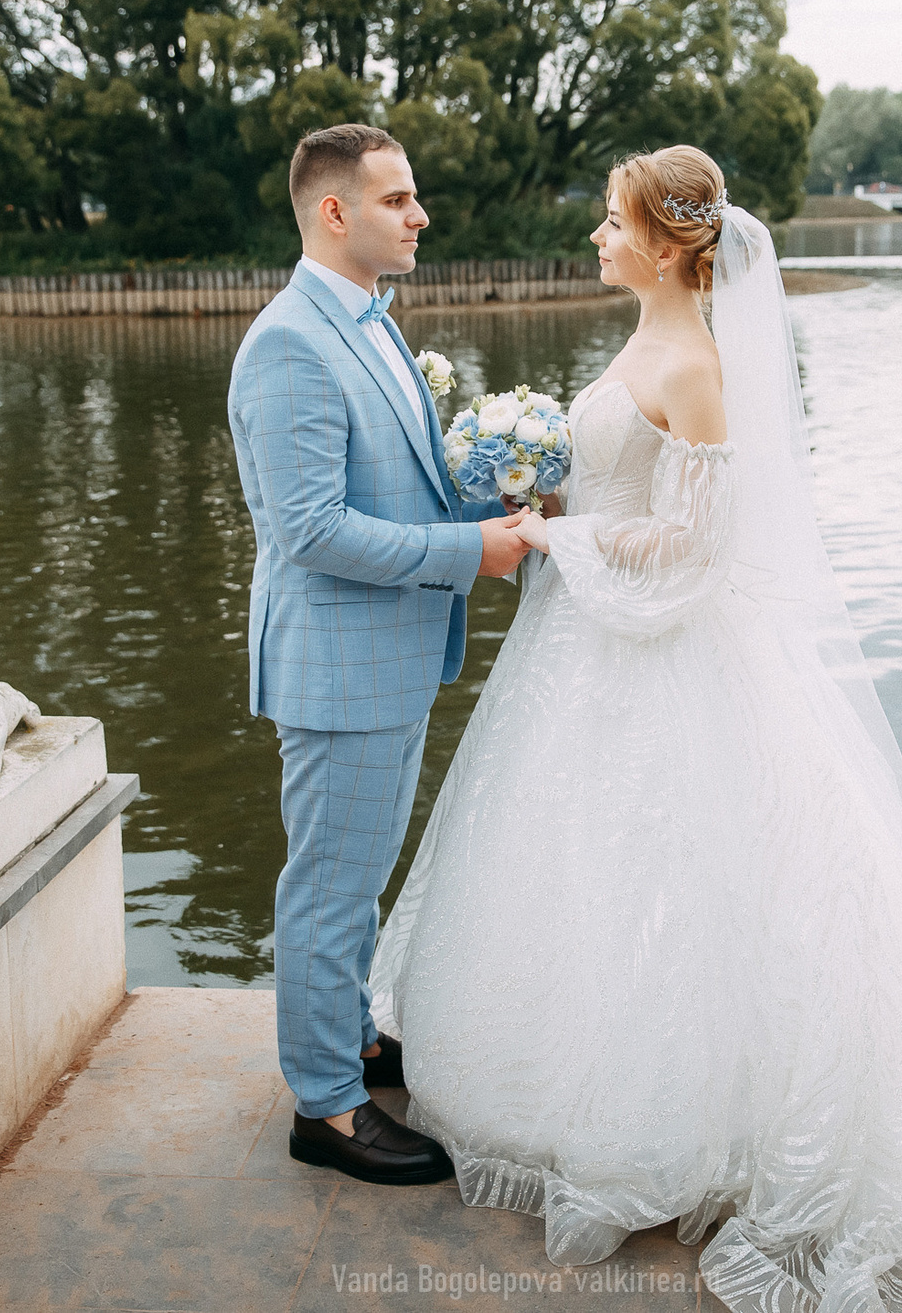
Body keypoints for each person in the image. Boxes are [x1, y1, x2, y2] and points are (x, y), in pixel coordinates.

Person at [370, 147, 902, 1312]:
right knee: (591, 868)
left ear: (671, 245)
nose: (595, 235)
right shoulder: (643, 335)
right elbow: (627, 495)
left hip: (660, 650)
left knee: (700, 874)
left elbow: (694, 545)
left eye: (611, 222)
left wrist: (556, 542)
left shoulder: (692, 362)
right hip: (583, 650)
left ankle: (682, 1114)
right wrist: (549, 497)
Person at [225, 123, 533, 1185]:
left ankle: (350, 1036)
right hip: (338, 667)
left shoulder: (369, 322)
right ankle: (328, 1108)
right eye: (398, 200)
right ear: (334, 212)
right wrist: (469, 553)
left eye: (414, 198)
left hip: (386, 659)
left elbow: (386, 484)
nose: (420, 216)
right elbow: (307, 529)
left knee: (354, 883)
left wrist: (491, 500)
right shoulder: (289, 343)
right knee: (329, 889)